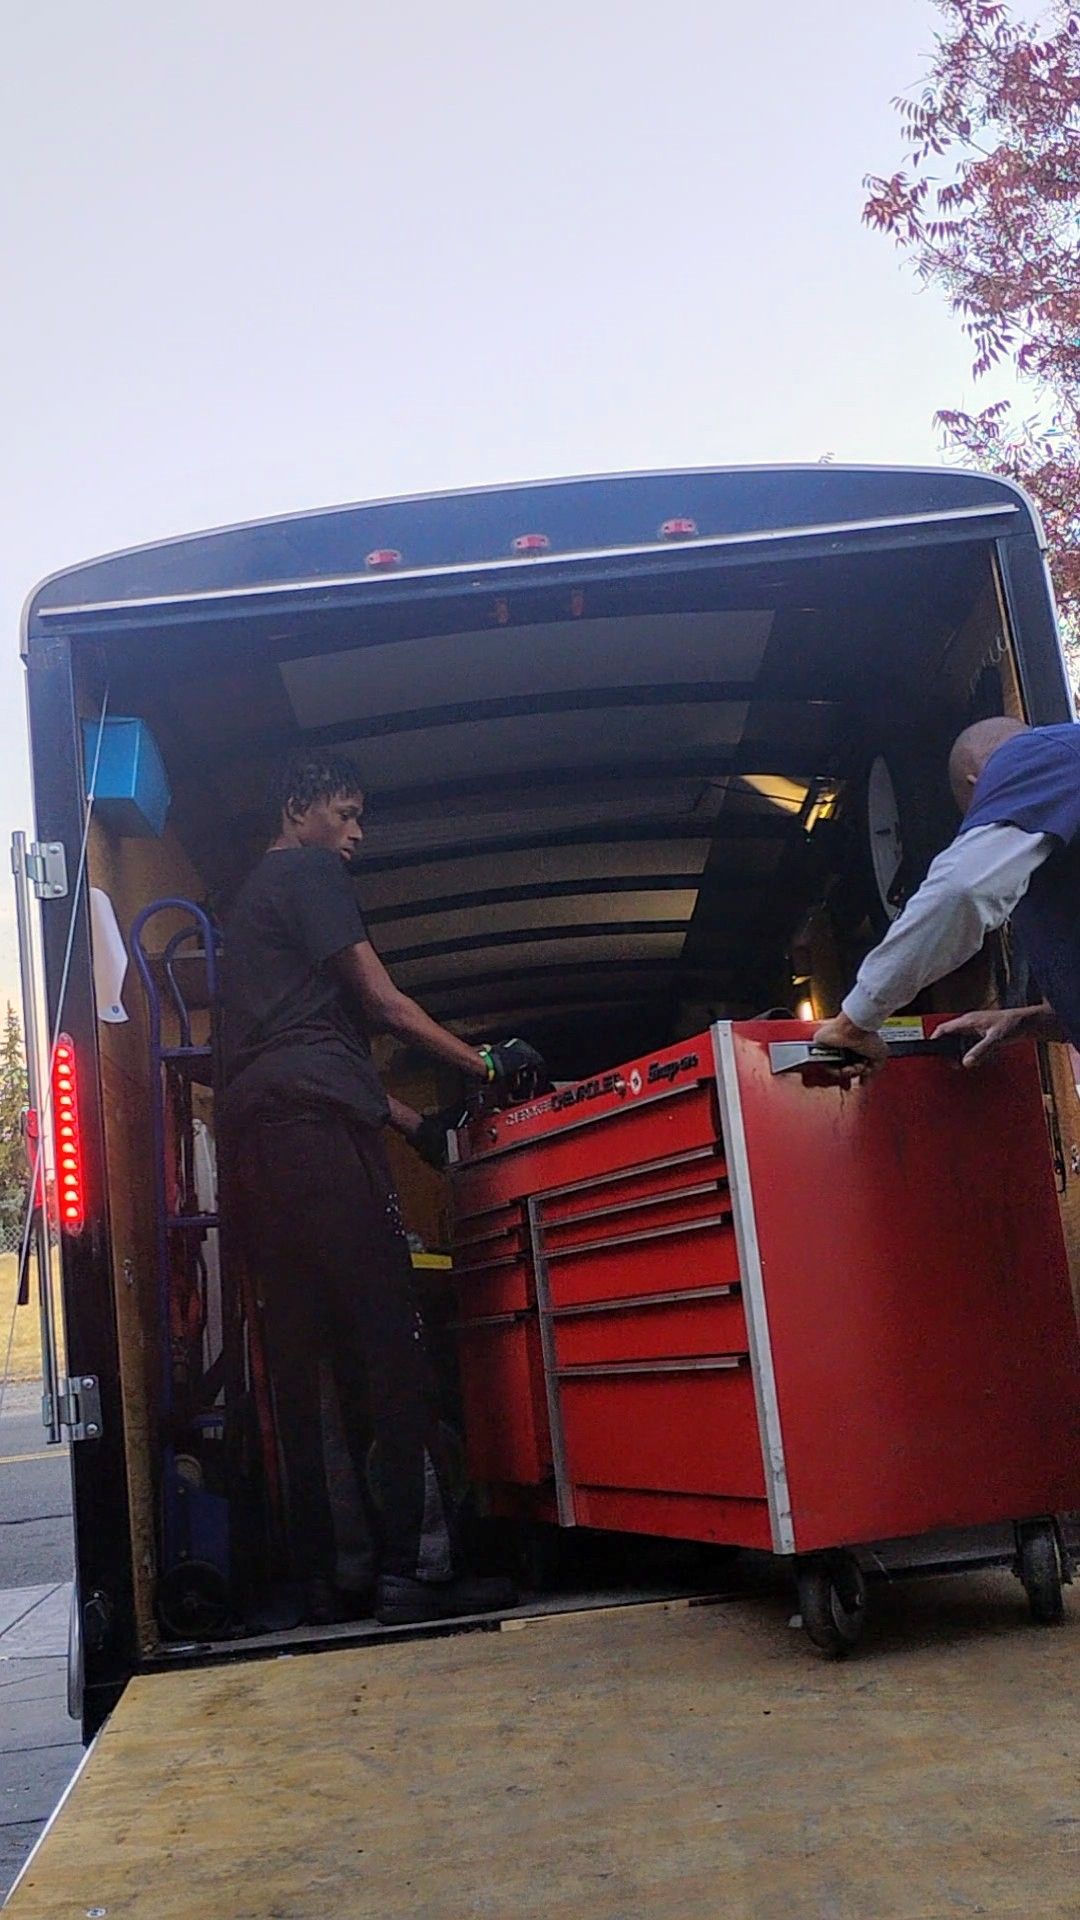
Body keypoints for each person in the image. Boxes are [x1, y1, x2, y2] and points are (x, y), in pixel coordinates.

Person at [221, 748, 547, 1627]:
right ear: (300, 807)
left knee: (305, 1364)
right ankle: (416, 1570)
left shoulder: (251, 907)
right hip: (319, 1146)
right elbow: (382, 1002)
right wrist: (484, 1060)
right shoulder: (311, 873)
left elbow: (316, 1062)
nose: (357, 833)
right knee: (390, 1345)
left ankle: (336, 1577)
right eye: (347, 811)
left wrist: (414, 1128)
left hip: (260, 1149)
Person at [813, 717, 1080, 1074]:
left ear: (978, 780)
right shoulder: (1058, 856)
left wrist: (854, 1022)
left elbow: (962, 890)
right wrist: (1034, 1021)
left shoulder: (1028, 755)